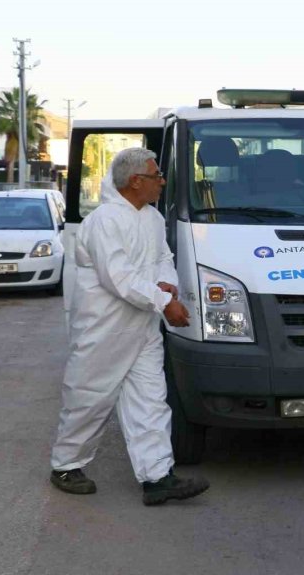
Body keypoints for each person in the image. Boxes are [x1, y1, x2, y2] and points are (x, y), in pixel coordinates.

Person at [49, 147, 210, 506]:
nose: (162, 182)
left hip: (143, 327)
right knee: (89, 398)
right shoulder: (104, 220)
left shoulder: (151, 218)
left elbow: (161, 258)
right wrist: (165, 302)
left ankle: (157, 476)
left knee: (151, 401)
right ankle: (66, 465)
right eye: (156, 176)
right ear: (136, 181)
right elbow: (117, 277)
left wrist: (167, 284)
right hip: (103, 329)